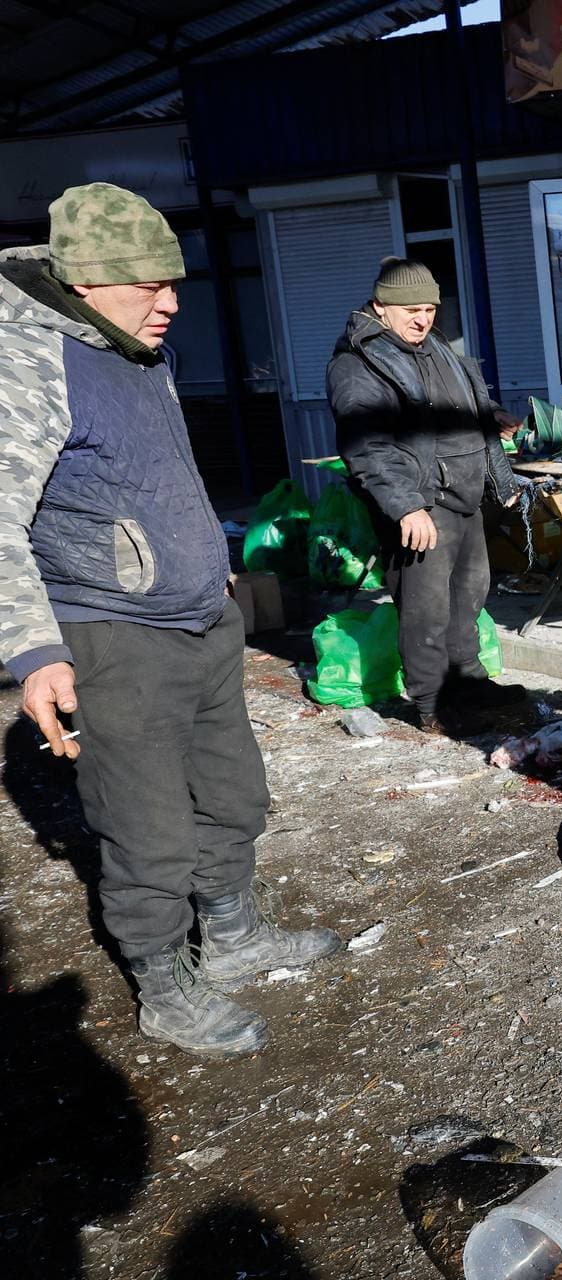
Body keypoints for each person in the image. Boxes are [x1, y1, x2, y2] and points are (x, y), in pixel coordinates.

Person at [0, 182, 342, 1058]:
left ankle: (231, 937)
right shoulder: (29, 362)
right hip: (110, 637)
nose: (172, 302)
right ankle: (164, 985)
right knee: (145, 825)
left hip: (199, 621)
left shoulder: (139, 350)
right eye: (149, 285)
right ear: (84, 281)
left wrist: (209, 564)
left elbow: (153, 476)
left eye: (174, 281)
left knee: (231, 795)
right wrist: (33, 650)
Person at [327, 258, 525, 735]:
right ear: (381, 307)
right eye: (411, 310)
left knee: (469, 599)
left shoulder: (433, 345)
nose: (423, 319)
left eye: (430, 310)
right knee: (427, 610)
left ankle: (470, 685)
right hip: (421, 503)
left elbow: (457, 403)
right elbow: (366, 446)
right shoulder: (358, 365)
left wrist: (492, 417)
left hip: (466, 496)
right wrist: (406, 507)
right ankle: (433, 705)